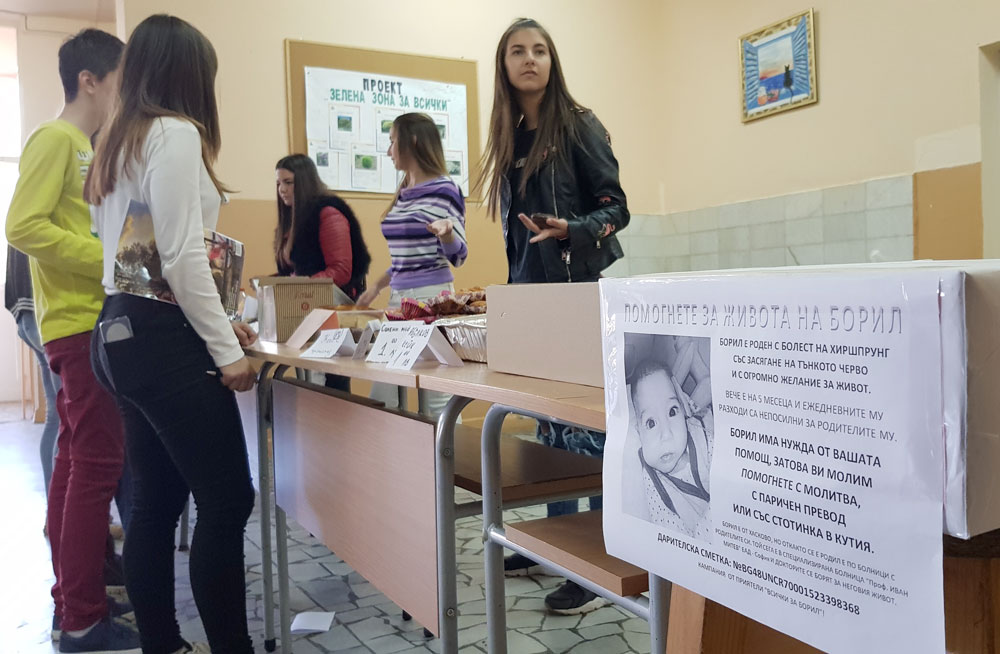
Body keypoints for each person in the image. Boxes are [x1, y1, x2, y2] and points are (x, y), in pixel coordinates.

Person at [85, 14, 256, 654]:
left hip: (119, 329)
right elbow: (182, 258)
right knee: (227, 499)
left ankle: (164, 644)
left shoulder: (120, 139)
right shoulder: (175, 132)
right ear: (190, 74)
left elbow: (140, 258)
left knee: (154, 504)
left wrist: (215, 320)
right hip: (159, 338)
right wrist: (227, 350)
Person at [478, 17, 629, 614]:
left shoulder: (579, 125)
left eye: (540, 50)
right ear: (504, 65)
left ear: (551, 61)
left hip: (576, 293)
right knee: (549, 427)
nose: (530, 59)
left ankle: (596, 562)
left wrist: (574, 229)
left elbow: (617, 209)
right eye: (518, 51)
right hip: (532, 299)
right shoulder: (512, 136)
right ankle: (556, 543)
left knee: (584, 434)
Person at [4, 28, 139, 652]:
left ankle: (75, 601)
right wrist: (106, 260)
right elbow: (22, 225)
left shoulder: (85, 147)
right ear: (90, 80)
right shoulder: (55, 138)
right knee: (97, 465)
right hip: (79, 323)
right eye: (119, 81)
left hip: (88, 319)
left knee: (76, 461)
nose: (124, 95)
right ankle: (82, 617)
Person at [357, 112, 467, 418]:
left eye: (392, 141)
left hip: (432, 299)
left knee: (436, 398)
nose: (388, 150)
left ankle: (448, 449)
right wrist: (377, 287)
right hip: (399, 301)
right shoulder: (404, 192)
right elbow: (406, 260)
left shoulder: (446, 189)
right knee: (385, 393)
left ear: (413, 141)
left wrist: (447, 235)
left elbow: (459, 255)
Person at [274, 153, 371, 392]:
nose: (281, 190)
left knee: (331, 384)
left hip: (332, 312)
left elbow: (341, 271)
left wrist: (298, 285)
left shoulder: (328, 212)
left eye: (288, 182)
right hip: (307, 310)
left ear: (304, 182)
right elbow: (293, 271)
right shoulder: (292, 219)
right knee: (312, 381)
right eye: (278, 183)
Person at [631, 360, 713, 540]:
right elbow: (674, 538)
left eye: (672, 412)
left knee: (709, 383)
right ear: (639, 432)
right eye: (651, 423)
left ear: (682, 411)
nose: (666, 434)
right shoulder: (654, 482)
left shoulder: (703, 437)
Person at [5, 246, 61, 497]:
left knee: (57, 416)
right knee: (68, 420)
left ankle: (56, 508)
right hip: (41, 314)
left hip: (27, 316)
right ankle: (64, 508)